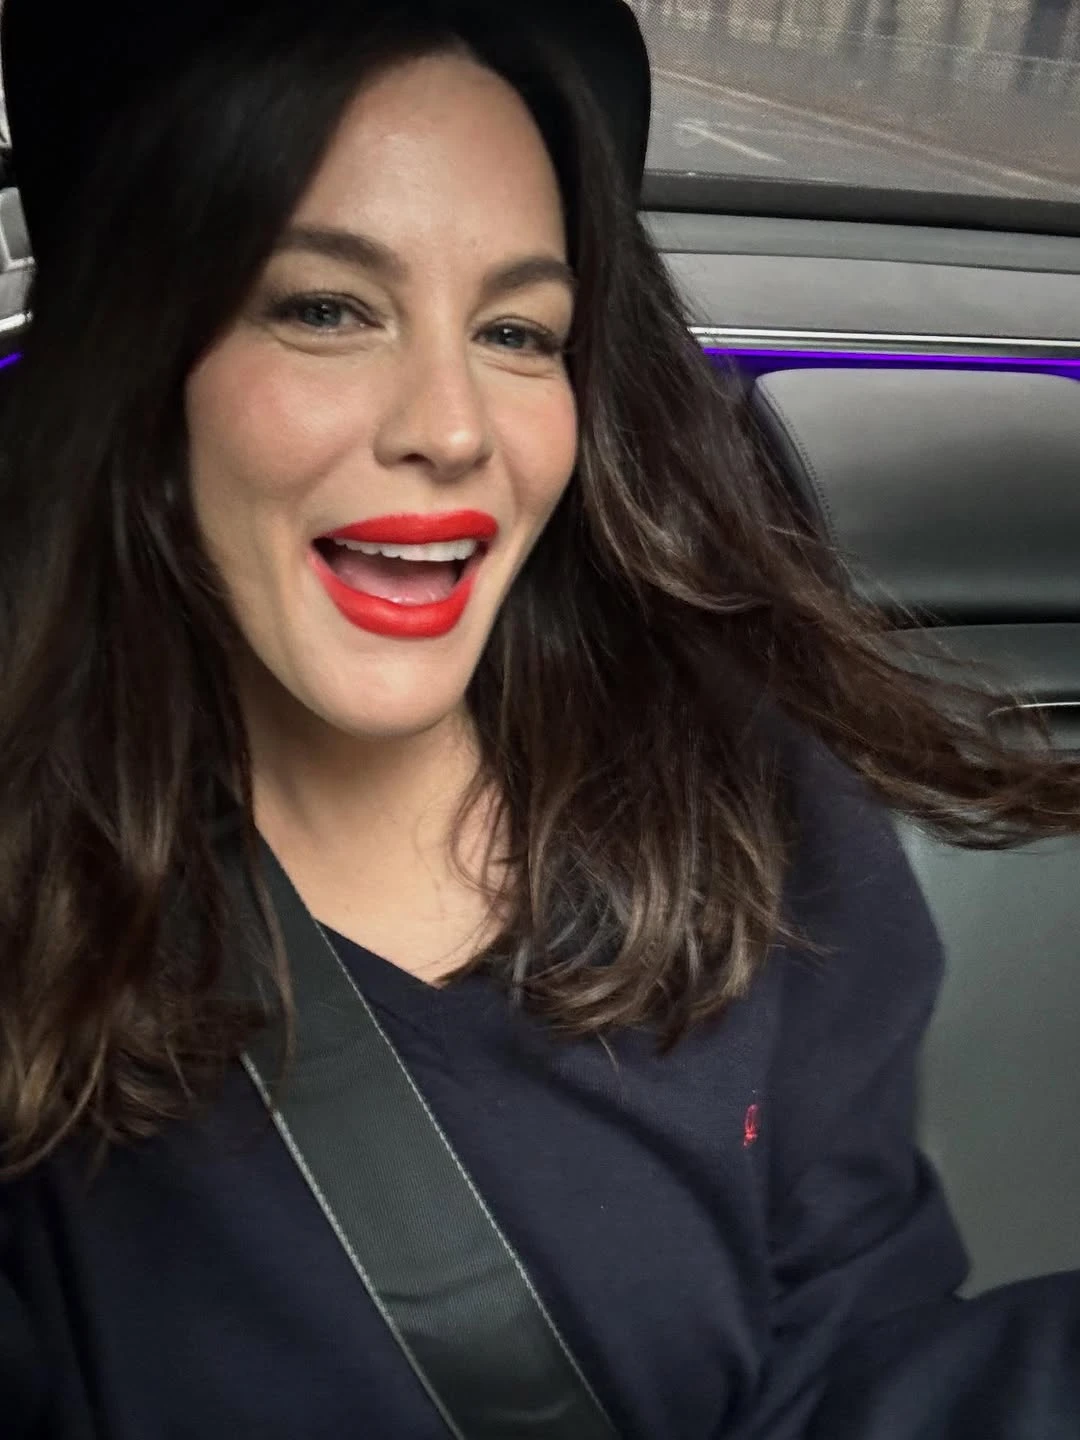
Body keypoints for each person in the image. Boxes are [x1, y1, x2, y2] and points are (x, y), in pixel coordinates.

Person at [0, 1, 1077, 1436]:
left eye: (518, 331)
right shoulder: (32, 896)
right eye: (326, 308)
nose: (453, 428)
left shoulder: (751, 804)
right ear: (142, 363)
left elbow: (849, 1363)